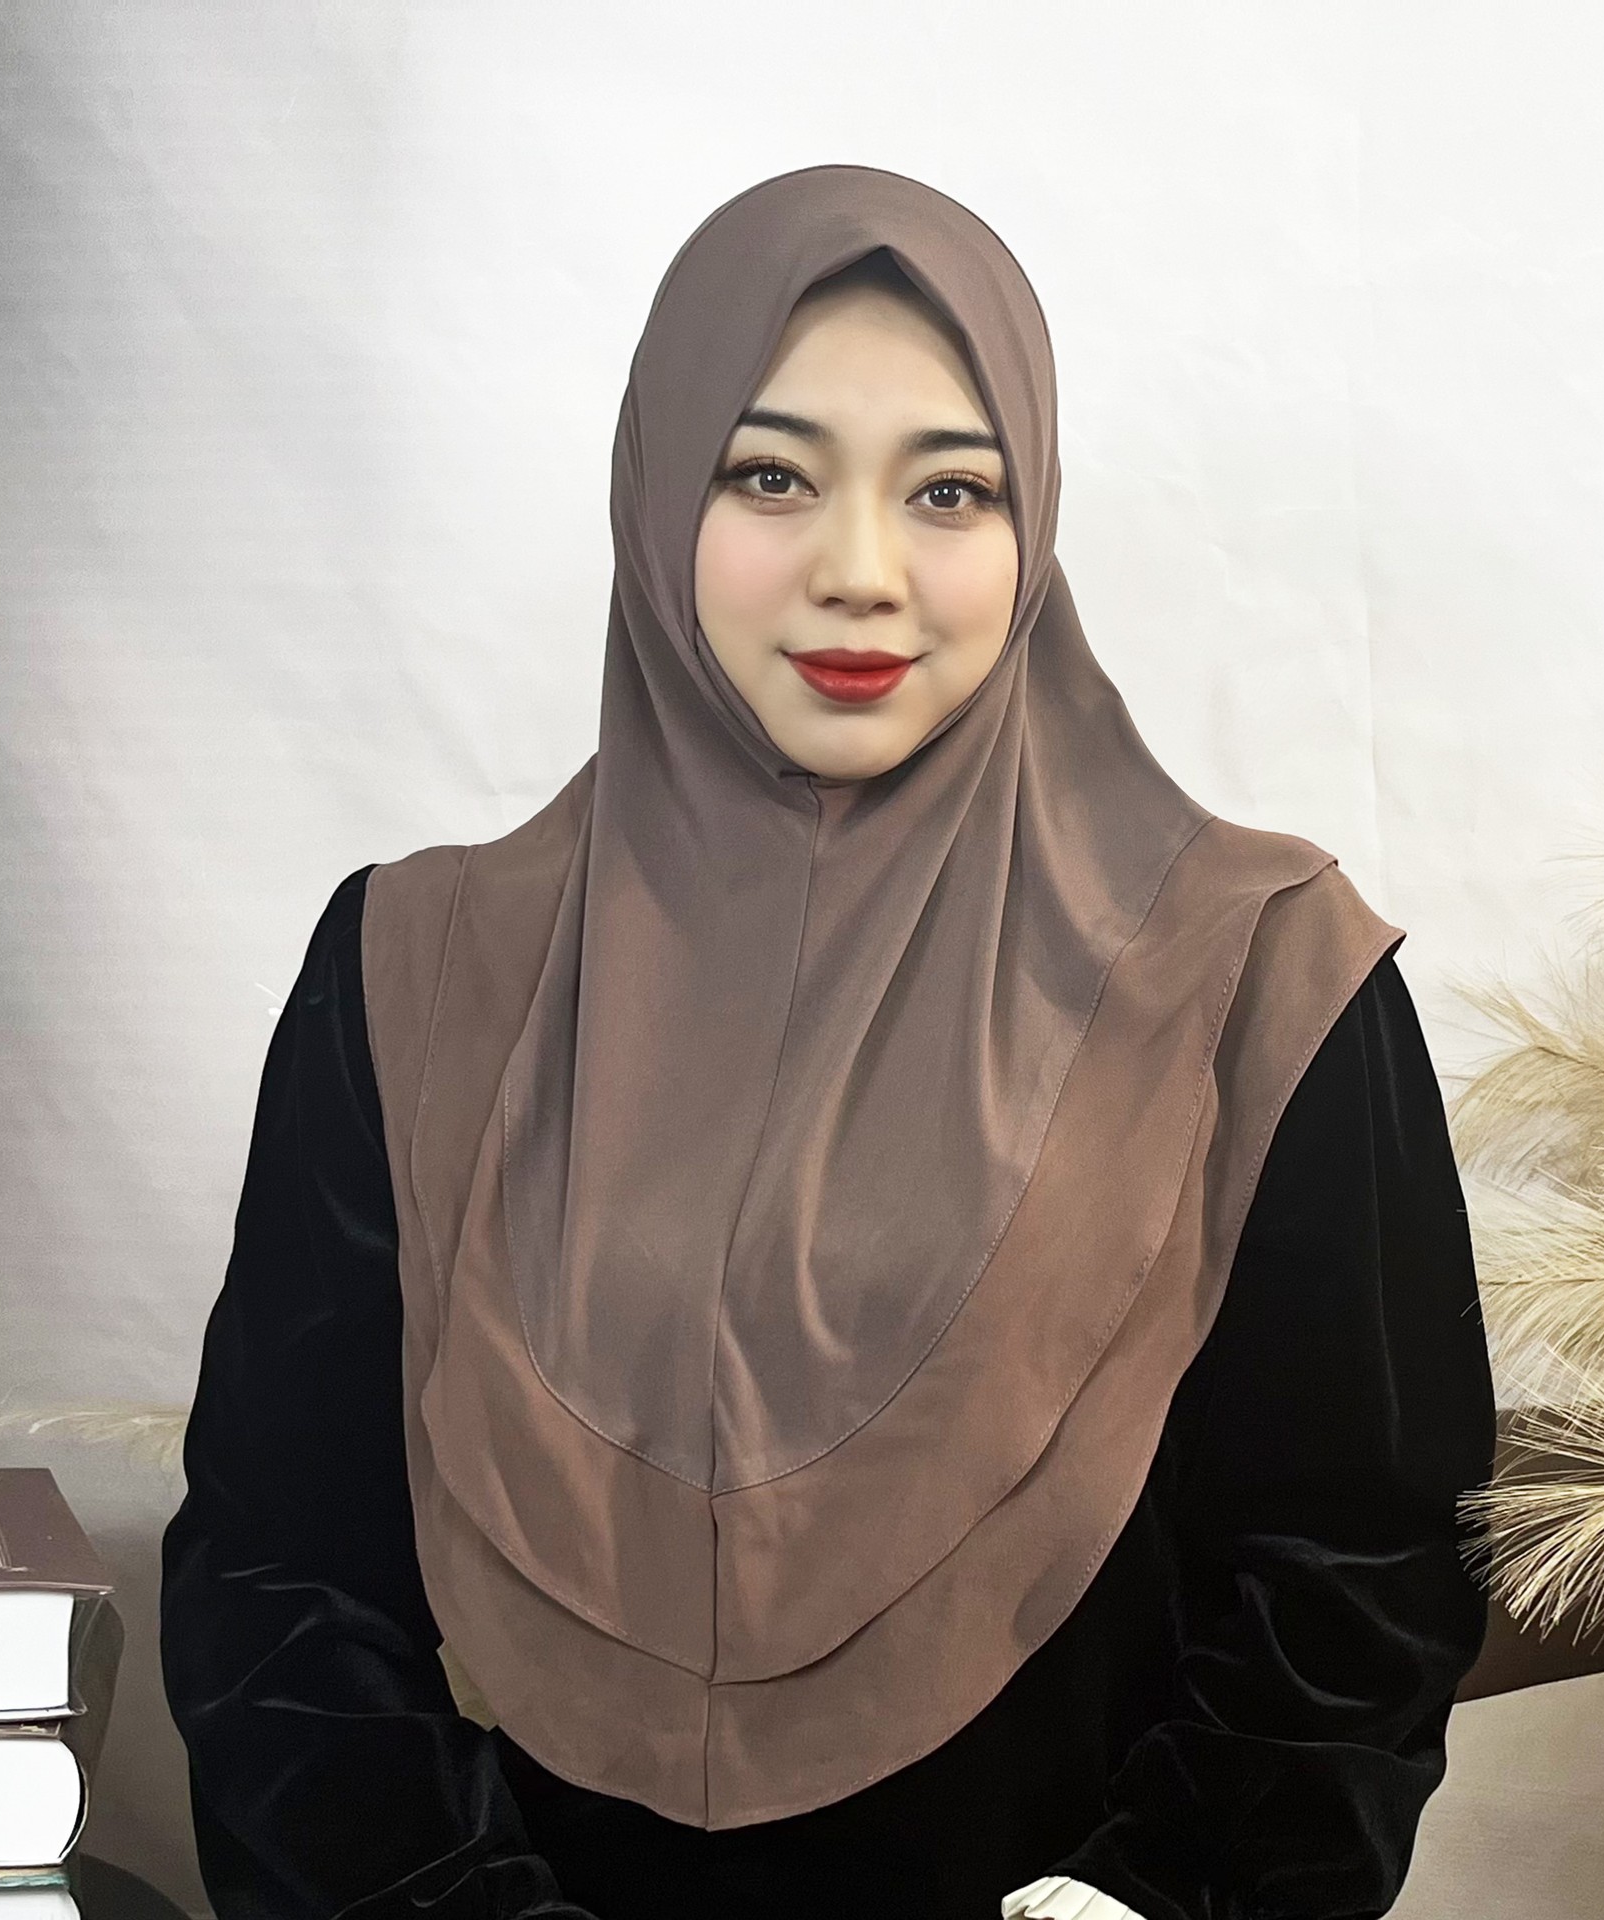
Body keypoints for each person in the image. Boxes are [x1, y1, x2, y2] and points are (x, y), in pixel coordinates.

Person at [160, 164, 1496, 1920]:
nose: (861, 574)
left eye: (952, 490)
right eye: (771, 476)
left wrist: (1164, 1898)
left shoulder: (1256, 982)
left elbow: (1358, 1572)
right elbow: (281, 1576)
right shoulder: (416, 971)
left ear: (1033, 525)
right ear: (659, 491)